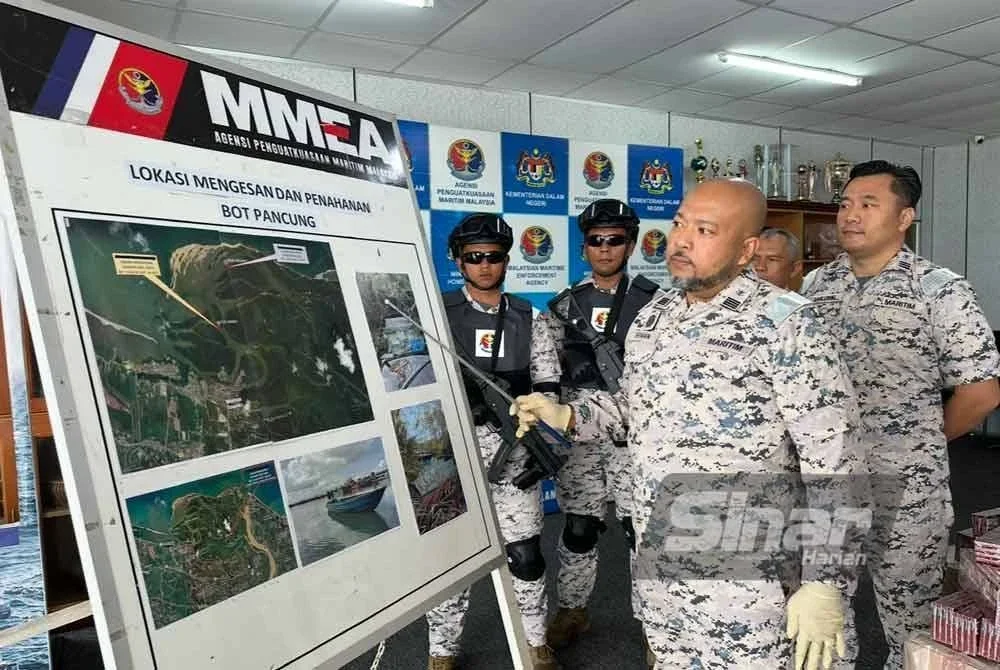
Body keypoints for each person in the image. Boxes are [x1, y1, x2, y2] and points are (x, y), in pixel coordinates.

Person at [511, 179, 868, 669]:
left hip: (748, 579)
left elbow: (837, 460)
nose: (681, 240)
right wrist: (570, 415)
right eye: (680, 223)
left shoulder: (787, 324)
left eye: (705, 230)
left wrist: (826, 582)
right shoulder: (656, 316)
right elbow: (634, 408)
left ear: (746, 251)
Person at [800, 160, 1000, 668]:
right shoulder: (815, 286)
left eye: (869, 204)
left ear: (904, 217)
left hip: (908, 490)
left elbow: (981, 393)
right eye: (846, 203)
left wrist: (921, 440)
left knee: (911, 626)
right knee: (823, 620)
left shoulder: (939, 289)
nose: (851, 215)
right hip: (828, 486)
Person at [425, 213, 560, 670]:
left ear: (507, 259)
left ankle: (535, 643)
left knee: (525, 556)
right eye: (474, 256)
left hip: (514, 454)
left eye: (494, 256)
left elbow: (548, 384)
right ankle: (442, 652)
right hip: (451, 458)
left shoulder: (528, 316)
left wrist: (535, 416)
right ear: (457, 260)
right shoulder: (437, 313)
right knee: (451, 560)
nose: (484, 265)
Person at [532, 199, 659, 652]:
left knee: (639, 531)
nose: (605, 248)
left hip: (634, 436)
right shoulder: (562, 307)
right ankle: (573, 609)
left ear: (631, 244)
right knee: (579, 527)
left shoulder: (656, 303)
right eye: (596, 240)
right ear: (584, 247)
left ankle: (654, 625)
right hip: (580, 434)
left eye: (615, 240)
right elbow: (545, 369)